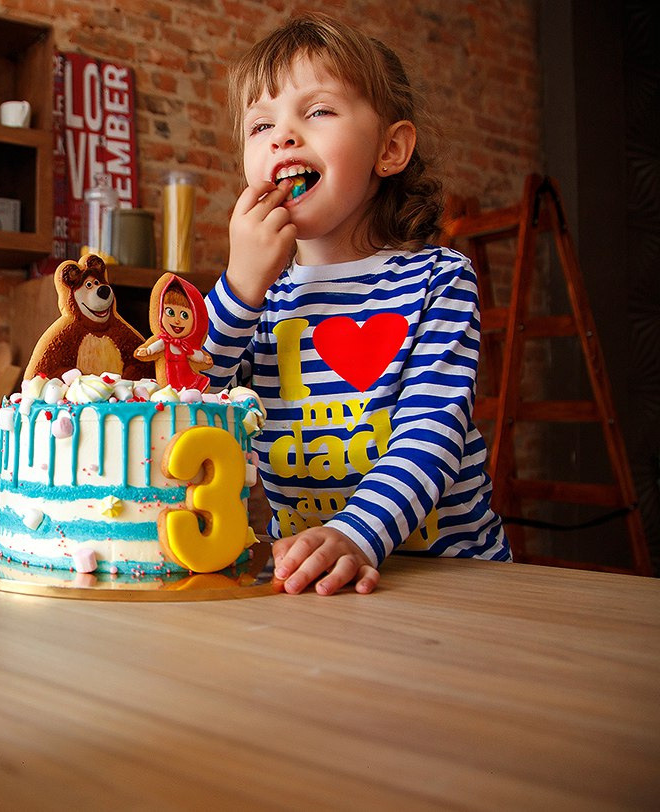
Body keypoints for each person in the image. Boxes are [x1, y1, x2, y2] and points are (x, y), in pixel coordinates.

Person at [203, 12, 509, 596]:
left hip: (451, 581)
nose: (283, 136)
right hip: (315, 584)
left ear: (390, 149)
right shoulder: (257, 302)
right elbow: (194, 402)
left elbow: (430, 435)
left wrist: (355, 534)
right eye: (260, 124)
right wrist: (240, 288)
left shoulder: (440, 282)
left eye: (317, 111)